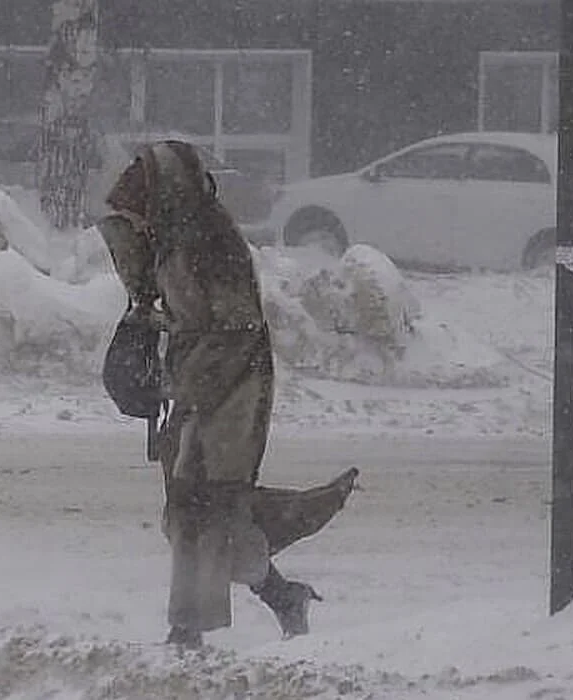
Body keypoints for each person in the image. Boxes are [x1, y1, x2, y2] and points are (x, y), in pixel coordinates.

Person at [96, 140, 358, 648]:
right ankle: (283, 596)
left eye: (142, 194)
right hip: (198, 382)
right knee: (195, 509)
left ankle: (187, 628)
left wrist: (185, 375)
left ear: (166, 191)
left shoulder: (210, 239)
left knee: (205, 505)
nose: (138, 209)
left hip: (233, 385)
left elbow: (236, 322)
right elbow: (163, 303)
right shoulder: (172, 238)